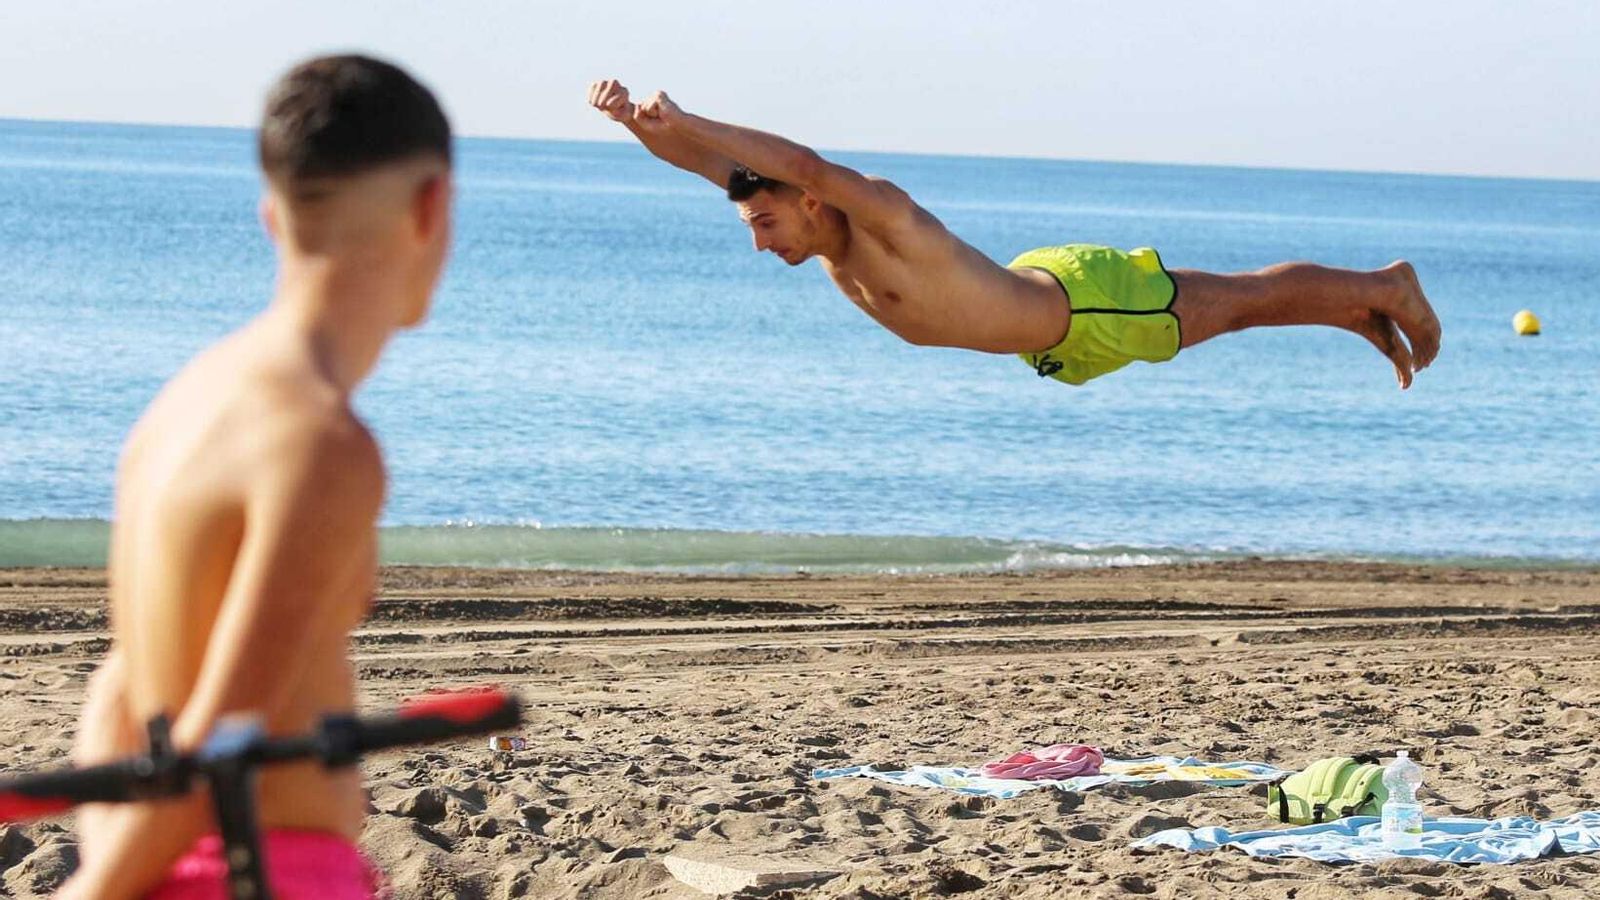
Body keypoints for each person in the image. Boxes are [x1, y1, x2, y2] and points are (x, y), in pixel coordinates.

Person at [58, 54, 453, 899]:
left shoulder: (180, 406)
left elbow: (121, 691)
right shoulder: (320, 443)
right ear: (433, 209)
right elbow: (216, 746)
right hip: (265, 870)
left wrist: (109, 863)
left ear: (272, 216)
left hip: (175, 867)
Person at [587, 79, 1440, 388]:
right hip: (1053, 326)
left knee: (1246, 303)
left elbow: (803, 160)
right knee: (1239, 312)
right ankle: (1355, 311)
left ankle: (1383, 287)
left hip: (1091, 309)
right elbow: (715, 170)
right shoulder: (825, 238)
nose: (757, 241)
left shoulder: (880, 216)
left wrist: (694, 112)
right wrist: (638, 125)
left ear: (810, 202)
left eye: (765, 222)